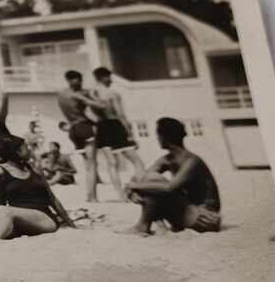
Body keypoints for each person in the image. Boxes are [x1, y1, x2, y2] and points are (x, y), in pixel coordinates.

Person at [0, 134, 75, 240]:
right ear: (16, 152)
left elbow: (52, 199)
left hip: (44, 219)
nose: (29, 150)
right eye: (25, 147)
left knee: (6, 212)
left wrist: (70, 223)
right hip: (17, 218)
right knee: (2, 218)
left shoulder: (35, 169)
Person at [123, 117, 222, 236]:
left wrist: (134, 186)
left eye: (158, 135)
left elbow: (170, 187)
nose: (157, 139)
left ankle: (143, 226)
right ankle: (154, 226)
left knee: (152, 181)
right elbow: (142, 177)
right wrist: (132, 189)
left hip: (204, 218)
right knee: (145, 179)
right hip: (186, 213)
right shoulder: (166, 160)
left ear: (164, 137)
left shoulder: (191, 161)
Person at [92, 67, 147, 199]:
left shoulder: (92, 94)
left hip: (101, 127)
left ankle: (121, 196)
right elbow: (121, 115)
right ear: (103, 77)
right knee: (138, 162)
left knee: (112, 164)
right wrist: (130, 133)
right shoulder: (112, 94)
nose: (111, 80)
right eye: (109, 77)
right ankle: (141, 188)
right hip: (114, 126)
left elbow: (90, 113)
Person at [57, 70, 109, 202]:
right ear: (75, 80)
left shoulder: (61, 94)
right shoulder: (78, 95)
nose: (80, 83)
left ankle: (89, 195)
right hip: (84, 128)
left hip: (73, 129)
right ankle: (93, 197)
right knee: (92, 165)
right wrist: (92, 95)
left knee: (87, 165)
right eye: (79, 80)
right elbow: (102, 106)